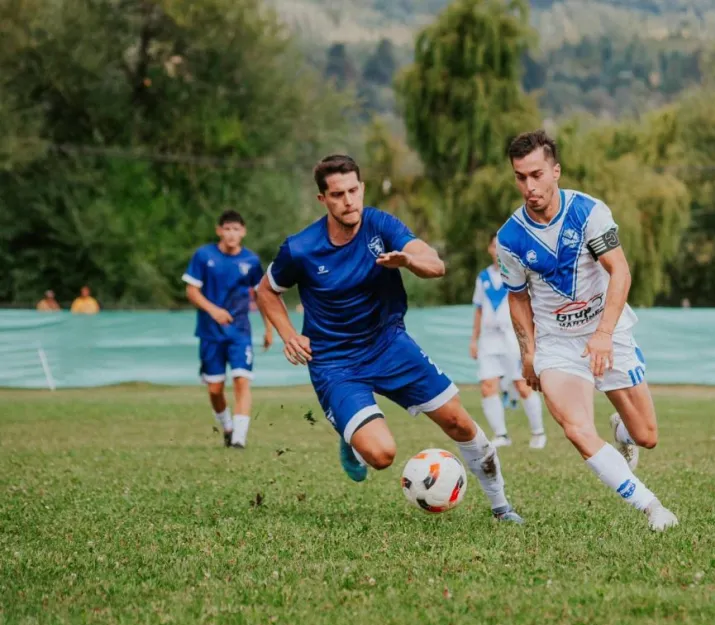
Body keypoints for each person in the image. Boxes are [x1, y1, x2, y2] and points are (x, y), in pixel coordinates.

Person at [255, 154, 523, 524]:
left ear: (362, 188)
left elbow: (435, 263)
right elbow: (266, 291)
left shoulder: (380, 226)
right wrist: (288, 335)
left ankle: (501, 507)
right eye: (337, 194)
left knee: (460, 423)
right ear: (323, 199)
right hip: (335, 363)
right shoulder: (300, 248)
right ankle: (352, 435)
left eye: (353, 191)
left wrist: (409, 262)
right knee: (381, 455)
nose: (348, 201)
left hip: (389, 345)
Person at [496, 130, 679, 532]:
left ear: (555, 172)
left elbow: (621, 271)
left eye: (537, 174)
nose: (529, 186)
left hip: (606, 332)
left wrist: (603, 334)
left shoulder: (590, 212)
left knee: (646, 435)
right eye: (520, 177)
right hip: (557, 346)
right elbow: (518, 298)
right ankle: (652, 508)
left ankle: (622, 428)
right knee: (576, 429)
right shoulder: (509, 239)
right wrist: (529, 354)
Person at [183, 210, 273, 449]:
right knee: (215, 389)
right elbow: (191, 291)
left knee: (242, 381)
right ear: (219, 231)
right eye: (227, 229)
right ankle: (227, 427)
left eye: (236, 229)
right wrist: (214, 311)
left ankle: (239, 440)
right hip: (210, 333)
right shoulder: (204, 256)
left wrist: (268, 328)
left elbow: (261, 296)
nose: (232, 234)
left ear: (243, 232)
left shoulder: (251, 261)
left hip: (240, 332)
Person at [470, 232, 546, 449]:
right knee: (487, 385)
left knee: (522, 384)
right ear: (489, 249)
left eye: (501, 247)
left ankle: (538, 432)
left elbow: (530, 306)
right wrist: (473, 340)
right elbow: (478, 309)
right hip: (488, 339)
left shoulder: (518, 274)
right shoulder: (483, 278)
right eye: (494, 246)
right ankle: (501, 434)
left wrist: (532, 337)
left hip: (513, 337)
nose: (497, 251)